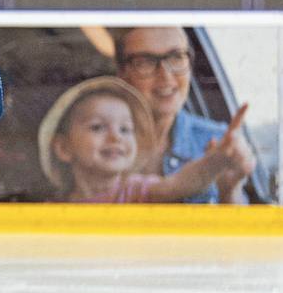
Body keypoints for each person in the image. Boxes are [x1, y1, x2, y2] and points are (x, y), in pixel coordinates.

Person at [38, 76, 243, 202]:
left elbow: (181, 183)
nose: (115, 137)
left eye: (126, 129)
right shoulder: (54, 207)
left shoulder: (134, 190)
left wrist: (216, 161)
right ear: (64, 148)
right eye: (98, 127)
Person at [114, 27, 254, 203]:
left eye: (176, 57)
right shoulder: (97, 144)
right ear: (122, 76)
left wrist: (230, 191)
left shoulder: (218, 141)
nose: (165, 75)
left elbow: (238, 228)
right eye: (145, 62)